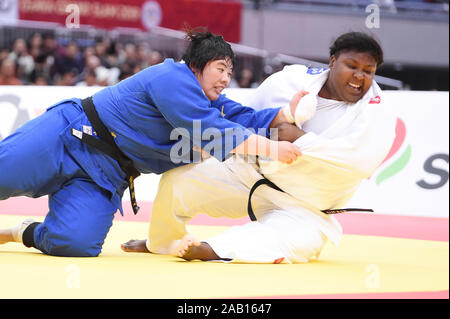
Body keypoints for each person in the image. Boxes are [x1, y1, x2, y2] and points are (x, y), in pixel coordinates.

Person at [0, 30, 303, 257]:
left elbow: (247, 118)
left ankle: (20, 231)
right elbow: (210, 130)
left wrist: (288, 112)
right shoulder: (173, 77)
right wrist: (273, 149)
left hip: (105, 176)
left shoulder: (211, 103)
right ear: (197, 64)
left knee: (75, 244)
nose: (225, 79)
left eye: (230, 73)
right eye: (220, 69)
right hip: (68, 135)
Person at [121, 32, 397, 263]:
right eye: (352, 66)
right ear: (333, 61)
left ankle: (212, 250)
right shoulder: (293, 80)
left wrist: (295, 137)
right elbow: (245, 121)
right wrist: (280, 131)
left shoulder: (376, 113)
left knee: (294, 242)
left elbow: (354, 162)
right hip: (249, 174)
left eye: (368, 71)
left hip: (305, 206)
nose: (359, 77)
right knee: (179, 180)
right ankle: (162, 241)